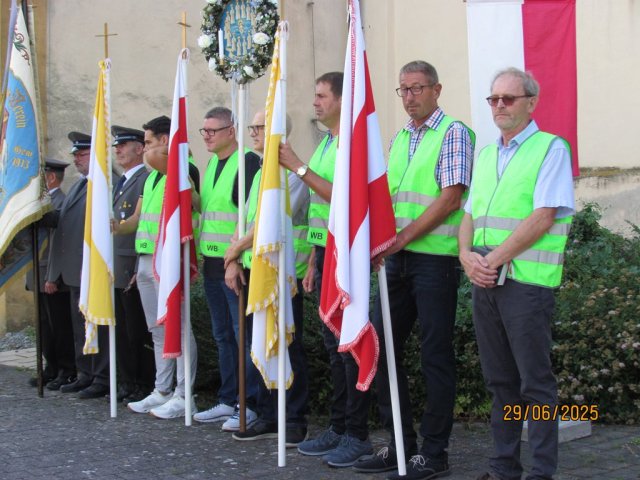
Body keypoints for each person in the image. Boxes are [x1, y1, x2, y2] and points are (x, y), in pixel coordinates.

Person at [354, 60, 474, 480]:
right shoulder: (400, 137)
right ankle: (401, 447)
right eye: (403, 89)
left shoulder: (454, 132)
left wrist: (399, 239)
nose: (409, 96)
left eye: (417, 88)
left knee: (434, 355)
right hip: (396, 259)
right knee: (380, 348)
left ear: (437, 90)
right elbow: (387, 199)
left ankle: (435, 454)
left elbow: (451, 198)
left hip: (434, 260)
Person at [458, 67, 574, 480]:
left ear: (531, 102)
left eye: (509, 98)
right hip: (486, 280)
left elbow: (543, 216)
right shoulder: (487, 154)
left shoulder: (551, 149)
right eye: (494, 99)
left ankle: (541, 472)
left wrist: (491, 260)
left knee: (535, 384)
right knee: (500, 382)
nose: (500, 106)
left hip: (525, 284)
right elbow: (469, 214)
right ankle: (504, 467)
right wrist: (464, 256)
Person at [278, 71, 373, 467]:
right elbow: (320, 213)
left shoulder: (351, 142)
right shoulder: (328, 143)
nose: (315, 103)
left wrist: (298, 167)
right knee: (333, 349)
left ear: (341, 100)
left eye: (322, 96)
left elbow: (347, 199)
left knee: (349, 347)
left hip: (348, 255)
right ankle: (338, 426)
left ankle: (357, 433)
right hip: (326, 253)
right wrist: (314, 260)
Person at [225, 111, 311, 446]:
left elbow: (269, 224)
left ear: (276, 131)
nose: (253, 132)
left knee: (287, 344)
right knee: (258, 342)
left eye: (259, 127)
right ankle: (267, 413)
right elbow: (245, 220)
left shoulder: (289, 173)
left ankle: (293, 418)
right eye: (252, 127)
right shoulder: (260, 170)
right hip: (254, 268)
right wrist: (234, 260)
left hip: (281, 273)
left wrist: (235, 249)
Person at [113, 116, 198, 419]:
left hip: (170, 260)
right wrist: (116, 226)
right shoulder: (151, 178)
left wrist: (173, 168)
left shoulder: (185, 169)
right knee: (157, 328)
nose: (145, 148)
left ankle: (184, 394)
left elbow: (194, 204)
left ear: (165, 141)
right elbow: (138, 218)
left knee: (180, 327)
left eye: (148, 142)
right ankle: (162, 389)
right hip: (146, 258)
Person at [193, 107, 262, 431]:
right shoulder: (212, 165)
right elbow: (211, 211)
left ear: (231, 131)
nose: (206, 136)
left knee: (242, 336)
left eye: (212, 131)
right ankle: (228, 398)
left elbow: (247, 217)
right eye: (204, 131)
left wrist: (233, 259)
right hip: (212, 263)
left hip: (234, 265)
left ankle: (248, 404)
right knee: (222, 336)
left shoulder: (247, 163)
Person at [44, 132, 110, 399]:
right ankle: (85, 373)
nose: (76, 159)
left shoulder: (104, 183)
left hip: (90, 268)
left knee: (96, 326)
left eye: (82, 154)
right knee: (79, 327)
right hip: (74, 271)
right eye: (76, 155)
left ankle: (101, 376)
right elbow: (63, 222)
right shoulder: (79, 185)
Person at [110, 125, 155, 403]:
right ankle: (127, 381)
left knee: (137, 331)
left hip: (132, 265)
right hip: (118, 265)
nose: (118, 150)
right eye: (116, 146)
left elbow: (143, 227)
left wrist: (138, 266)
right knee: (122, 330)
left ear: (139, 148)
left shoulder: (144, 179)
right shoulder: (122, 181)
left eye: (123, 145)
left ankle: (142, 382)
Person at [27, 158, 76, 390]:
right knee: (45, 326)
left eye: (40, 177)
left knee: (60, 326)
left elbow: (59, 242)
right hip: (38, 272)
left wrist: (52, 277)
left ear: (51, 177)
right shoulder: (41, 202)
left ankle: (66, 369)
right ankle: (51, 367)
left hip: (51, 274)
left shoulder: (59, 202)